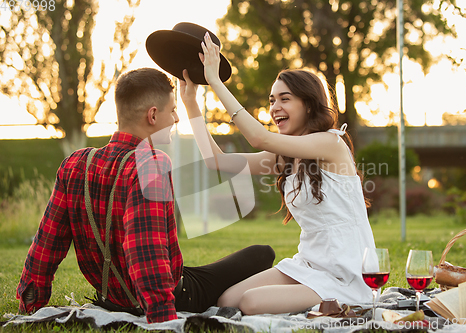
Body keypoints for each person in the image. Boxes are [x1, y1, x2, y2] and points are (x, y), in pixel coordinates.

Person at [16, 67, 275, 323]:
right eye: (172, 110)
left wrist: (31, 302)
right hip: (169, 296)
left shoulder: (75, 163)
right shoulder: (150, 163)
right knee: (262, 254)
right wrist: (163, 317)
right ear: (152, 115)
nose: (176, 118)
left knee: (209, 269)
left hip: (110, 296)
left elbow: (47, 244)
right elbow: (144, 250)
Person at [178, 33, 376, 315]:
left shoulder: (330, 143)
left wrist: (216, 82)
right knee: (228, 300)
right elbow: (216, 162)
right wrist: (191, 105)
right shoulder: (285, 157)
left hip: (347, 273)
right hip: (309, 264)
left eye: (285, 99)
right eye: (272, 101)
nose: (274, 108)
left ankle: (343, 303)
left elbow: (260, 138)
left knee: (250, 303)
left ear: (308, 104)